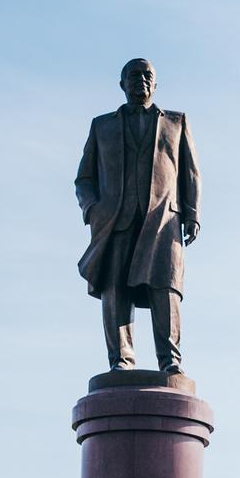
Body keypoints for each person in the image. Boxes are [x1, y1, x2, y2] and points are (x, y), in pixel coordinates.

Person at [74, 58, 201, 372]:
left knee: (165, 289)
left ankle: (170, 361)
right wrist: (93, 208)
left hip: (162, 220)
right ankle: (121, 359)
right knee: (115, 288)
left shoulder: (176, 122)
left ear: (155, 84)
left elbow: (190, 172)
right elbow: (84, 178)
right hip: (116, 220)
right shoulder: (101, 126)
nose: (140, 80)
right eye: (133, 75)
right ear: (121, 84)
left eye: (147, 75)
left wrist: (192, 213)